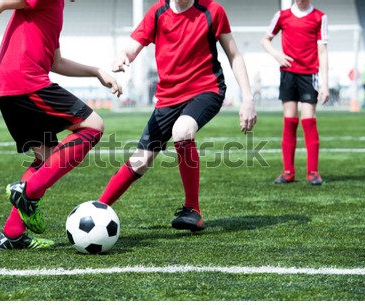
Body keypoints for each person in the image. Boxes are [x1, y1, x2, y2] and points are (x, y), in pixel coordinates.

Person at [0, 0, 122, 249]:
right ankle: (28, 191)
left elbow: (56, 62)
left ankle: (12, 235)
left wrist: (96, 71)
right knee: (93, 126)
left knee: (47, 160)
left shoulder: (57, 6)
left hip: (11, 84)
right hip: (24, 80)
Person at [98, 0, 257, 232]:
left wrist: (248, 98)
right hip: (167, 98)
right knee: (140, 161)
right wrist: (122, 56)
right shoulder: (157, 12)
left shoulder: (212, 10)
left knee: (182, 131)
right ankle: (98, 208)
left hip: (206, 89)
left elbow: (235, 55)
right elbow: (132, 48)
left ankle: (193, 210)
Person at [261, 0, 329, 186]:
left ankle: (313, 172)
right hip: (288, 75)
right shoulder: (282, 16)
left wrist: (325, 84)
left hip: (309, 75)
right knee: (290, 121)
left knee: (309, 120)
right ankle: (288, 172)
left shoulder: (319, 17)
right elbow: (265, 40)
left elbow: (322, 51)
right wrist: (277, 55)